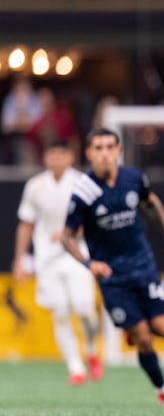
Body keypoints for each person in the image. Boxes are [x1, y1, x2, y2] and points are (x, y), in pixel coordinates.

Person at [61, 128, 164, 407]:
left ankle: (136, 326)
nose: (105, 153)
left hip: (144, 266)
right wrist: (88, 263)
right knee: (143, 337)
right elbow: (67, 236)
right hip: (113, 277)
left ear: (119, 151)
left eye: (110, 147)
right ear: (89, 154)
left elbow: (150, 203)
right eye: (98, 148)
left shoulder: (133, 178)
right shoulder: (84, 192)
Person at [13, 140, 102, 386]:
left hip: (76, 252)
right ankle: (75, 367)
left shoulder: (82, 183)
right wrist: (20, 258)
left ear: (70, 157)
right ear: (46, 158)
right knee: (60, 311)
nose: (56, 159)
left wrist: (71, 232)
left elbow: (95, 219)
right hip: (47, 257)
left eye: (61, 154)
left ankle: (92, 350)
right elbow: (26, 223)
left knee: (83, 308)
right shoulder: (36, 186)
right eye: (52, 154)